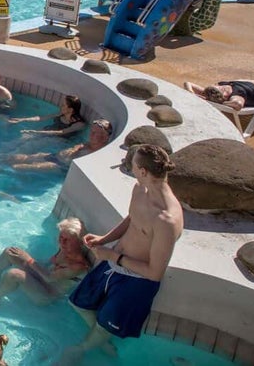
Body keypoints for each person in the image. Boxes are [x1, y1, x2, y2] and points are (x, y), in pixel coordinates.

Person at [58, 145, 183, 363]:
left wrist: (112, 256)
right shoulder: (139, 189)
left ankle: (81, 349)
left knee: (105, 324)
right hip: (113, 262)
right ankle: (101, 340)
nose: (130, 168)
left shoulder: (166, 219)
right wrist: (104, 239)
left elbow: (155, 273)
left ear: (144, 171)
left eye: (133, 165)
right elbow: (132, 219)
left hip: (137, 280)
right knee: (77, 303)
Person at [0, 217, 91, 306]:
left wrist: (28, 259)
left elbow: (49, 278)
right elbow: (47, 266)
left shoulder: (78, 266)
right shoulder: (64, 248)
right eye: (61, 237)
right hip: (41, 278)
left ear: (79, 242)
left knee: (14, 274)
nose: (61, 241)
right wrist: (24, 261)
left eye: (67, 239)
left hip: (46, 295)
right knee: (10, 252)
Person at [8, 118, 113, 172]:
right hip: (55, 156)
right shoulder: (90, 144)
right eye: (91, 131)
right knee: (21, 157)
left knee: (20, 167)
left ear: (104, 137)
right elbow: (79, 146)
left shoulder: (97, 154)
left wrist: (71, 155)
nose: (91, 134)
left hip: (60, 166)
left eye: (95, 133)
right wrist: (73, 150)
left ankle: (2, 174)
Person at [185, 72, 254, 110]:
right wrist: (222, 102)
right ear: (225, 96)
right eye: (222, 90)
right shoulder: (235, 96)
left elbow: (188, 83)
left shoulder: (212, 91)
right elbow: (238, 104)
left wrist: (191, 93)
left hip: (243, 85)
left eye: (218, 86)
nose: (222, 86)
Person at [8, 94, 85, 137]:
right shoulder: (61, 114)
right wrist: (22, 120)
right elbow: (42, 118)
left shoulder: (79, 124)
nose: (60, 106)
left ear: (71, 109)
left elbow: (61, 132)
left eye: (63, 105)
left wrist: (37, 132)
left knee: (27, 145)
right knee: (23, 138)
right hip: (45, 131)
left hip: (56, 140)